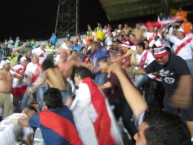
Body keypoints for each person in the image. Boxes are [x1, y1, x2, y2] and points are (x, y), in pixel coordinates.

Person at [111, 62, 192, 145]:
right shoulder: (149, 127)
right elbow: (138, 106)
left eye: (139, 136)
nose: (135, 136)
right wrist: (119, 72)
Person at [132, 46, 193, 139]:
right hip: (169, 93)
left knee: (188, 116)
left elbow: (186, 77)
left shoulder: (177, 61)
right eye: (157, 58)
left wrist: (181, 94)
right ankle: (175, 136)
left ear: (167, 54)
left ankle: (192, 138)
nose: (159, 60)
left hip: (185, 91)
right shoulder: (156, 63)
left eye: (161, 57)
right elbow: (144, 71)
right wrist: (132, 71)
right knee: (170, 116)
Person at [70, 66, 123, 145]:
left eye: (75, 76)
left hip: (100, 133)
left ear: (79, 77)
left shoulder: (85, 88)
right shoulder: (94, 87)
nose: (74, 78)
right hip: (106, 130)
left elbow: (76, 111)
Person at [18, 88, 83, 145]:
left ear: (45, 104)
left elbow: (25, 122)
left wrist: (19, 119)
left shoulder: (42, 117)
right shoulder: (67, 110)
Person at [98, 57, 137, 140]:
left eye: (100, 65)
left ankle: (137, 139)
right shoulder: (106, 76)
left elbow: (112, 83)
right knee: (112, 117)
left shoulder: (115, 71)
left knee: (126, 119)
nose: (99, 68)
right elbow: (106, 91)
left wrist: (98, 87)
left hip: (131, 98)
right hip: (122, 100)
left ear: (105, 64)